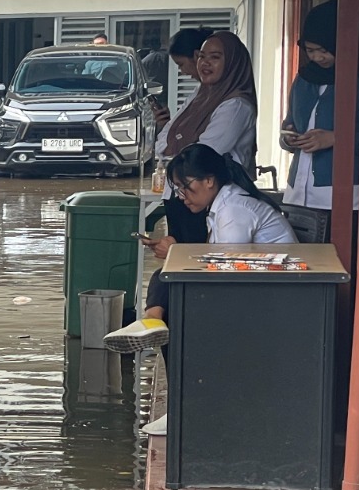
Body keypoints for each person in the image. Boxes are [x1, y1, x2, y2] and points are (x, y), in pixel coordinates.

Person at [104, 143, 297, 434]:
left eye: (185, 187)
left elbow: (222, 270)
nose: (182, 197)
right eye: (178, 189)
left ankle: (182, 405)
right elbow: (218, 262)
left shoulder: (233, 209)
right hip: (259, 288)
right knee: (167, 280)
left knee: (174, 301)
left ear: (209, 180)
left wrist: (178, 252)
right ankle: (176, 394)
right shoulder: (222, 204)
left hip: (274, 298)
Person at [152, 31, 258, 245]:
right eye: (201, 56)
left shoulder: (235, 106)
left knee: (196, 263)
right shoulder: (200, 95)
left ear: (233, 63)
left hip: (210, 199)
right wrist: (174, 146)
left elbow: (203, 155)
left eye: (215, 57)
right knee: (179, 262)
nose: (205, 63)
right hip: (185, 195)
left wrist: (175, 148)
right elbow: (163, 141)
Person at [283, 0, 359, 218]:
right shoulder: (304, 79)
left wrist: (335, 138)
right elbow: (290, 121)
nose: (317, 57)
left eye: (324, 50)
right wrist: (288, 137)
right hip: (297, 192)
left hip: (342, 194)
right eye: (310, 50)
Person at [149, 27, 214, 131]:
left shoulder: (230, 103)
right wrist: (167, 124)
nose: (182, 71)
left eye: (181, 64)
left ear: (197, 56)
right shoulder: (199, 93)